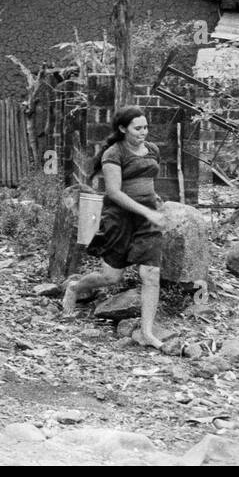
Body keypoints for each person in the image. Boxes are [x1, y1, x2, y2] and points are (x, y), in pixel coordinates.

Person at [62, 107, 169, 348]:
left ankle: (148, 333)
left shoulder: (152, 150)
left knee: (150, 275)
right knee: (111, 277)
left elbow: (149, 179)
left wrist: (154, 200)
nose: (144, 132)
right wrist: (146, 210)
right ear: (123, 129)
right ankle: (75, 287)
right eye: (138, 128)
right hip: (119, 219)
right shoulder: (114, 153)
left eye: (146, 127)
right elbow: (114, 192)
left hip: (147, 220)